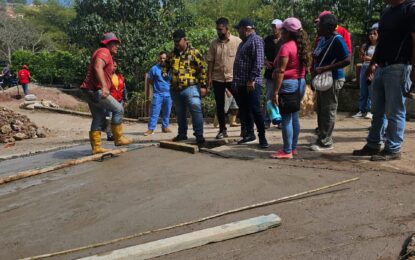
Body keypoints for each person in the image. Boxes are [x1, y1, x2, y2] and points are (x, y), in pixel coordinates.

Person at [353, 0, 415, 161]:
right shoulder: (387, 11)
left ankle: (393, 148)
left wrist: (414, 69)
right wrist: (372, 63)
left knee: (394, 111)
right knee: (377, 110)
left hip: (399, 66)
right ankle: (373, 144)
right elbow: (381, 42)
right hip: (381, 66)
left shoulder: (411, 9)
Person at [80, 32, 131, 154]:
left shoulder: (102, 52)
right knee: (118, 109)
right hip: (96, 90)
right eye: (114, 44)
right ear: (107, 43)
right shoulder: (104, 52)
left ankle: (96, 147)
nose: (117, 46)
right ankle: (118, 138)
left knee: (98, 117)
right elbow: (98, 67)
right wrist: (104, 86)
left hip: (88, 90)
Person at [270, 18, 311, 159]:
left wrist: (275, 91)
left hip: (288, 85)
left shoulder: (286, 47)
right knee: (294, 117)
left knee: (286, 119)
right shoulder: (301, 45)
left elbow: (281, 71)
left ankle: (287, 151)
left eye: (282, 29)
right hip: (300, 83)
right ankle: (293, 148)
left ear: (287, 32)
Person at [311, 13, 350, 151]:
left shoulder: (337, 39)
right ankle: (322, 136)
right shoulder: (322, 39)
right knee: (321, 110)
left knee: (328, 110)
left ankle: (326, 141)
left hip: (331, 78)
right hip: (321, 78)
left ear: (328, 27)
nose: (317, 27)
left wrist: (325, 68)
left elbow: (347, 60)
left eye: (319, 25)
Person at [164, 29, 207, 144]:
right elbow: (165, 65)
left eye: (178, 41)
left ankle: (199, 135)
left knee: (196, 110)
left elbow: (202, 69)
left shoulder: (194, 52)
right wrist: (164, 72)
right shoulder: (171, 54)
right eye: (175, 42)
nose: (177, 44)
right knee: (180, 113)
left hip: (191, 87)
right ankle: (182, 134)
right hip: (175, 89)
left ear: (185, 40)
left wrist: (203, 86)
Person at [233, 18, 269, 148]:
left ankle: (262, 138)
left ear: (246, 29)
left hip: (251, 83)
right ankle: (249, 134)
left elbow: (258, 62)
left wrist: (251, 80)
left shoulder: (256, 40)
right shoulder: (243, 43)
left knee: (255, 110)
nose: (238, 32)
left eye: (239, 29)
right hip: (241, 83)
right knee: (245, 110)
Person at [207, 17, 242, 139]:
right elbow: (210, 61)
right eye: (217, 29)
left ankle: (245, 129)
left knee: (241, 103)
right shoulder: (214, 44)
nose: (218, 31)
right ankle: (222, 130)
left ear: (227, 28)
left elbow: (243, 59)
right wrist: (209, 77)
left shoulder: (237, 41)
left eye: (220, 29)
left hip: (233, 78)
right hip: (218, 79)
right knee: (220, 106)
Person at [352, 23, 379, 119]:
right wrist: (370, 58)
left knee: (371, 90)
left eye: (374, 34)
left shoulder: (379, 46)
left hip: (374, 69)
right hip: (364, 68)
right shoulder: (365, 45)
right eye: (370, 34)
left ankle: (370, 110)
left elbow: (377, 59)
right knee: (363, 89)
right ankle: (361, 110)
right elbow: (362, 57)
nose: (372, 36)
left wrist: (369, 58)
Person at [144, 51, 172, 136]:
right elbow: (149, 80)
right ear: (159, 59)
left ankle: (165, 127)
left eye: (164, 58)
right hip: (158, 94)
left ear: (167, 59)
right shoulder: (154, 68)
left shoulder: (171, 69)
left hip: (168, 94)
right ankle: (151, 129)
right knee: (154, 112)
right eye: (161, 58)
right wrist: (156, 86)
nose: (162, 60)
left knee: (167, 112)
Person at [263, 19, 284, 128]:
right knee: (269, 96)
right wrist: (265, 61)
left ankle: (279, 120)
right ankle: (267, 120)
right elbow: (261, 54)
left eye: (275, 27)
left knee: (280, 96)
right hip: (270, 72)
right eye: (272, 27)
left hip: (281, 72)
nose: (273, 29)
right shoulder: (267, 40)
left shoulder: (284, 40)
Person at [104, 62, 128, 141]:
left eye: (115, 66)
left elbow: (124, 89)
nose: (114, 67)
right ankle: (109, 135)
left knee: (118, 117)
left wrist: (125, 99)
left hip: (119, 100)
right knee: (109, 118)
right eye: (112, 66)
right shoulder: (106, 76)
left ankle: (117, 134)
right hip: (110, 100)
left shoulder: (120, 77)